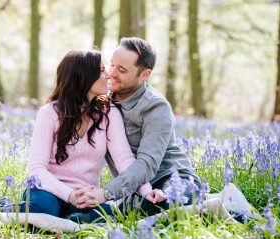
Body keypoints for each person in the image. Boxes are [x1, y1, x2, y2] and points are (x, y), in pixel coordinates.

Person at [20, 49, 163, 222]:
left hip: (86, 196)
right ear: (84, 76)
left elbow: (124, 159)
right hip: (48, 190)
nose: (109, 75)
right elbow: (36, 170)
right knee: (42, 210)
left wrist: (147, 192)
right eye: (102, 70)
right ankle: (12, 208)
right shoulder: (49, 113)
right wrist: (70, 195)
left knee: (108, 216)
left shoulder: (108, 113)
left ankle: (72, 218)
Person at [74, 37, 201, 216]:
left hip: (171, 179)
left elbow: (147, 163)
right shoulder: (102, 101)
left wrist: (107, 193)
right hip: (133, 188)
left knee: (172, 205)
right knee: (91, 215)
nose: (112, 74)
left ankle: (224, 209)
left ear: (144, 74)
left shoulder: (156, 107)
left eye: (122, 70)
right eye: (112, 65)